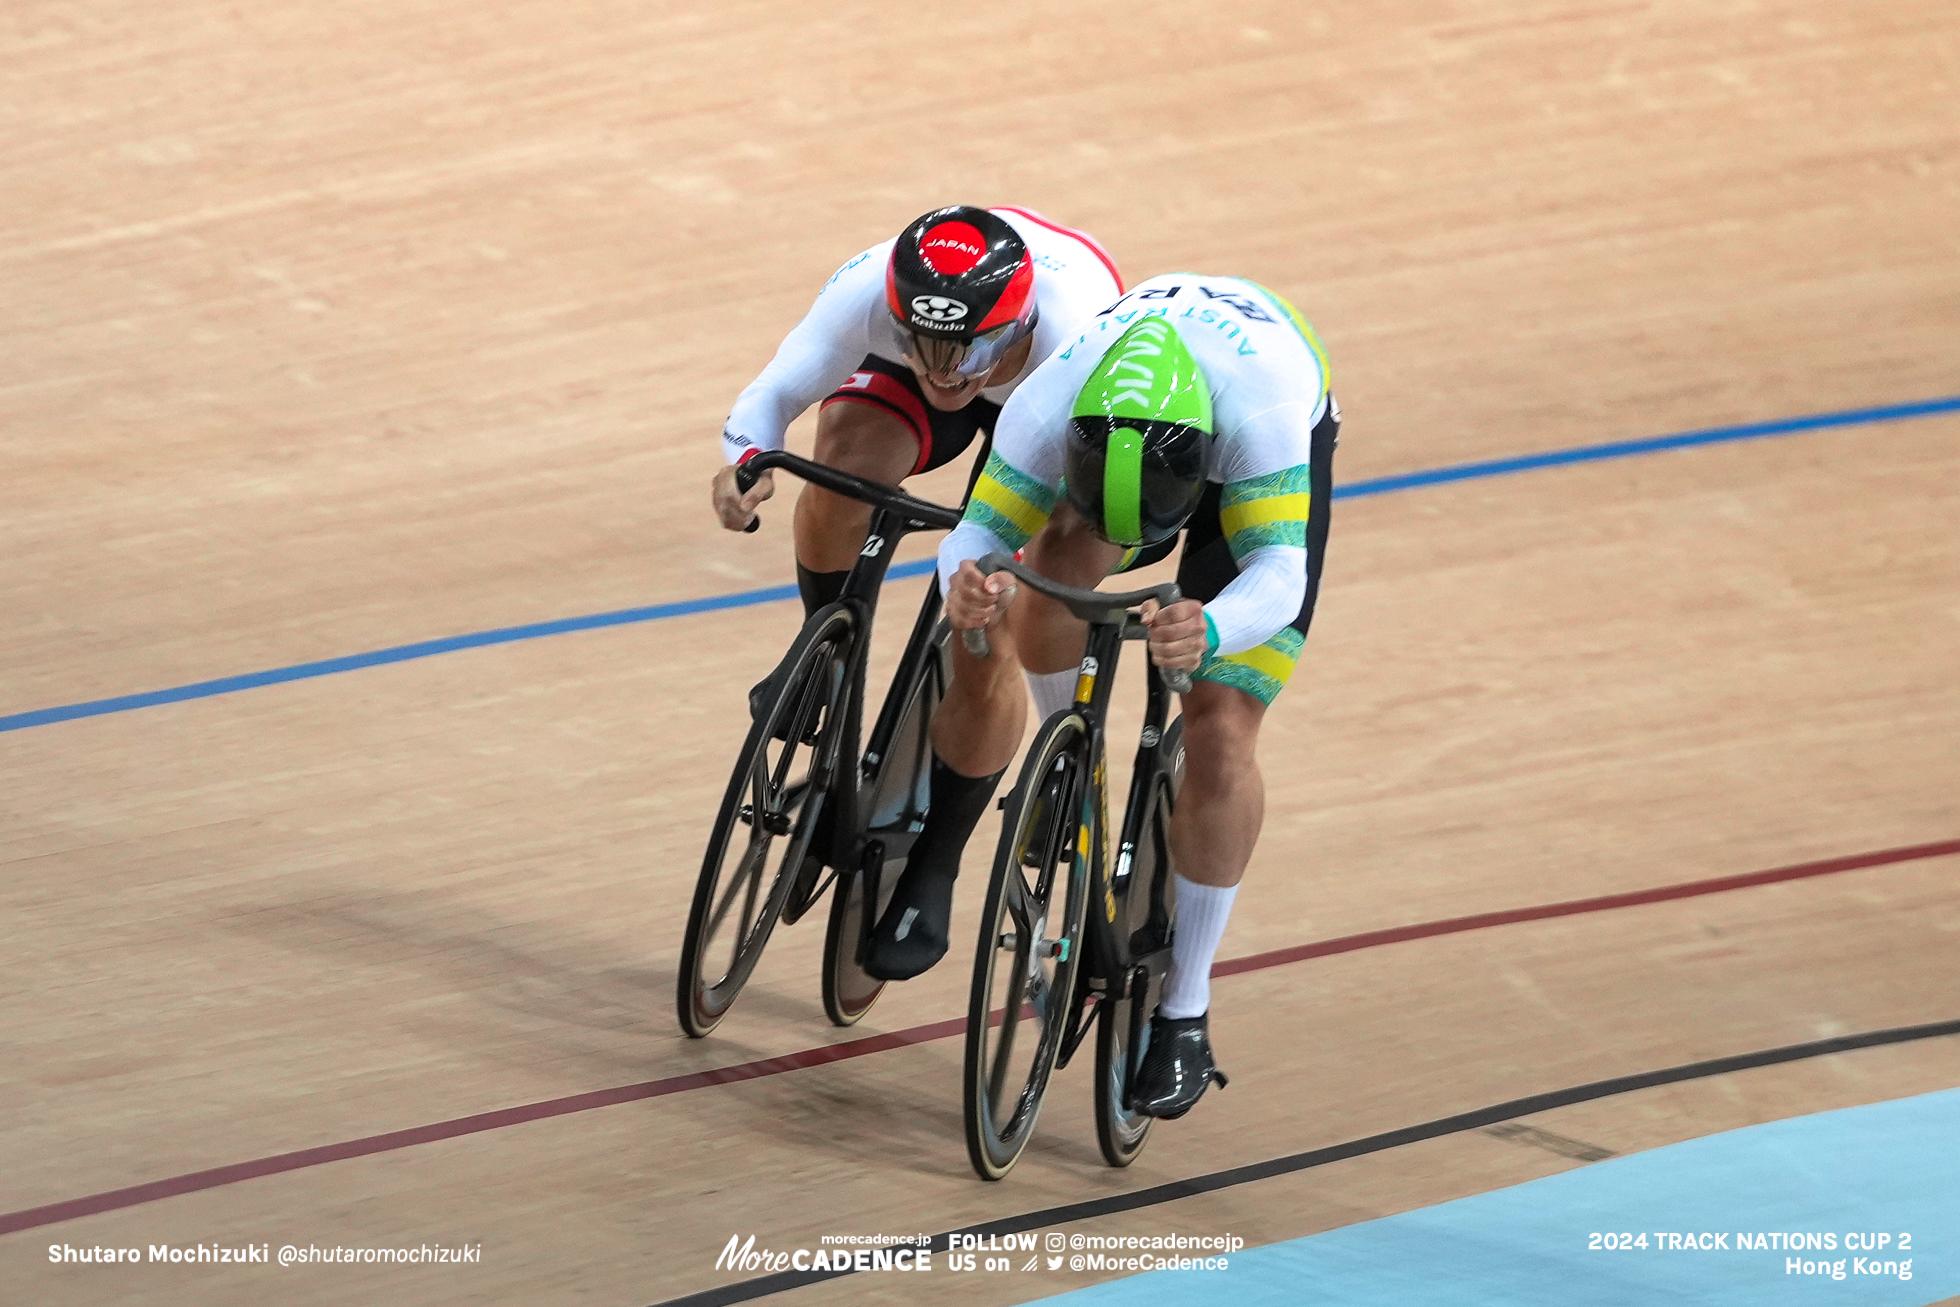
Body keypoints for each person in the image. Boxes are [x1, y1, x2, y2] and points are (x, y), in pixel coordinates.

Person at [861, 274, 1339, 1121]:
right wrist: (965, 584)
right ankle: (1067, 760)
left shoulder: (1262, 419)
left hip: (1243, 437)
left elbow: (1277, 572)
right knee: (1042, 575)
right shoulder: (1048, 405)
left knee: (1222, 727)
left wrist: (1213, 632)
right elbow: (978, 539)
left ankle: (1186, 1010)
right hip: (1118, 444)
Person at [710, 204, 1122, 682]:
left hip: (1040, 396)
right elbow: (774, 391)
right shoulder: (865, 288)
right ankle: (824, 654)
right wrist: (747, 462)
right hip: (982, 342)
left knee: (993, 603)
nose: (942, 372)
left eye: (968, 352)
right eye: (918, 344)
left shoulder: (1080, 340)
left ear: (1018, 328)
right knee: (845, 466)